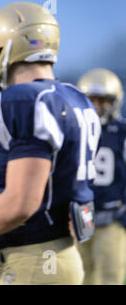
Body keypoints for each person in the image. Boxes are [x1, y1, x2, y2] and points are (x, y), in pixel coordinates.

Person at [0, 1, 101, 285]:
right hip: (64, 254)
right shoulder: (76, 97)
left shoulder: (22, 99)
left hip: (32, 261)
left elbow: (21, 202)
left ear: (5, 47)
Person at [76, 68, 126, 285]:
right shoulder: (76, 129)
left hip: (111, 213)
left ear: (115, 101)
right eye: (91, 99)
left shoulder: (121, 130)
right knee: (81, 274)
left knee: (110, 275)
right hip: (81, 212)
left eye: (103, 100)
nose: (96, 105)